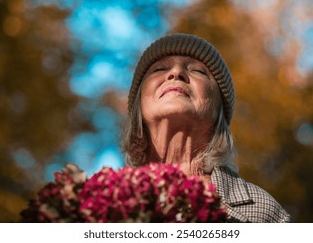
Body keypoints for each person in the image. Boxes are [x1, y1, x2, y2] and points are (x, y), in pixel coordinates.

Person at [121, 33, 290, 223]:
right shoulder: (100, 201)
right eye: (159, 69)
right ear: (139, 106)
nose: (176, 73)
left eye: (199, 71)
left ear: (219, 108)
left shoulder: (263, 212)